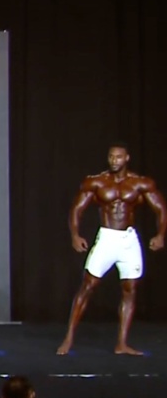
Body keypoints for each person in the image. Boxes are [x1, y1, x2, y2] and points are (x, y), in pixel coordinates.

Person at [57, 143, 166, 356]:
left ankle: (121, 343)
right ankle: (68, 338)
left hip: (128, 240)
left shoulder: (140, 183)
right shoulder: (97, 182)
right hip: (107, 238)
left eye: (118, 157)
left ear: (127, 158)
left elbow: (160, 208)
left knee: (130, 288)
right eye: (111, 157)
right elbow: (77, 209)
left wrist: (160, 234)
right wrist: (75, 235)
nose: (114, 160)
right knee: (88, 285)